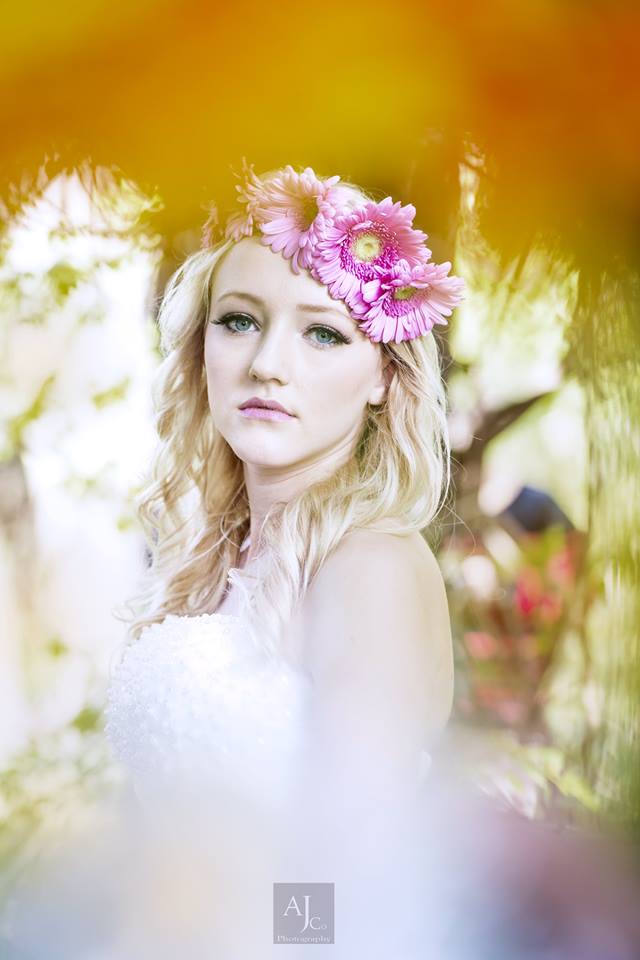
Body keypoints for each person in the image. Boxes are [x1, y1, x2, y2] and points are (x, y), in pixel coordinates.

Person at [102, 160, 466, 958]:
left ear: (384, 377)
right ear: (201, 345)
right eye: (239, 321)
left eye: (323, 333)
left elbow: (353, 863)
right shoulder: (214, 560)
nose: (267, 362)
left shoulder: (370, 564)